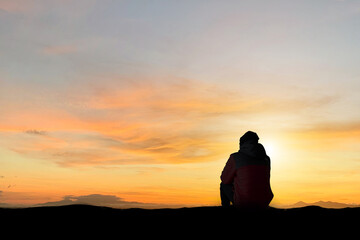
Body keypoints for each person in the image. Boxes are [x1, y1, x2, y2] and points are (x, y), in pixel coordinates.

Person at [220, 131, 273, 208]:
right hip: (264, 201)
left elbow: (224, 179)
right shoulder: (266, 159)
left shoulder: (235, 157)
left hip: (244, 202)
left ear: (242, 144)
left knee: (223, 185)